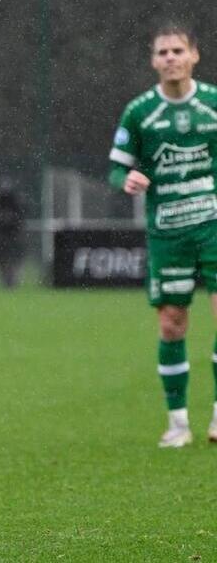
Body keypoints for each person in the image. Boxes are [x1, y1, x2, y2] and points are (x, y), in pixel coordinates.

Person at [108, 23, 217, 448]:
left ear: (194, 55)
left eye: (177, 50)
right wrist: (126, 178)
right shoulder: (140, 112)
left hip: (213, 225)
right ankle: (176, 423)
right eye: (162, 52)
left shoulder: (212, 105)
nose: (170, 58)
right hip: (168, 231)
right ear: (154, 62)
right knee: (172, 325)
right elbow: (116, 166)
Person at [0, 178, 24, 288]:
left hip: (12, 235)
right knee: (2, 260)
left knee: (13, 259)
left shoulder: (15, 203)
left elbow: (20, 218)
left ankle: (11, 280)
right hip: (1, 236)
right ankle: (5, 279)